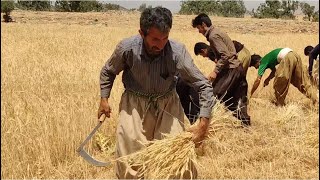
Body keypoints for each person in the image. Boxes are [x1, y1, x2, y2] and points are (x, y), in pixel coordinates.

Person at [98, 7, 215, 179]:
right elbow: (108, 71)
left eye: (165, 38)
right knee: (130, 161)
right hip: (134, 106)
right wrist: (104, 99)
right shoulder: (127, 49)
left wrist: (203, 124)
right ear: (141, 33)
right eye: (154, 39)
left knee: (177, 161)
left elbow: (204, 85)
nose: (160, 45)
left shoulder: (177, 52)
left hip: (168, 104)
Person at [192, 13, 251, 126]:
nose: (199, 31)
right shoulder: (217, 31)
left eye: (198, 28)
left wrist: (215, 71)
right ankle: (246, 125)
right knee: (236, 98)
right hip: (237, 68)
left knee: (216, 94)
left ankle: (208, 125)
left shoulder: (213, 35)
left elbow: (225, 55)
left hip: (232, 70)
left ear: (203, 24)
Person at [250, 48, 318, 106]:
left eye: (254, 66)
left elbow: (258, 80)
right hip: (295, 55)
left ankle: (280, 104)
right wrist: (268, 79)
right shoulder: (267, 59)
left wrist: (250, 94)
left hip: (288, 57)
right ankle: (315, 100)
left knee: (279, 81)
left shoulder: (263, 62)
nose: (256, 68)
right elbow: (274, 71)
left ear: (257, 62)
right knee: (302, 82)